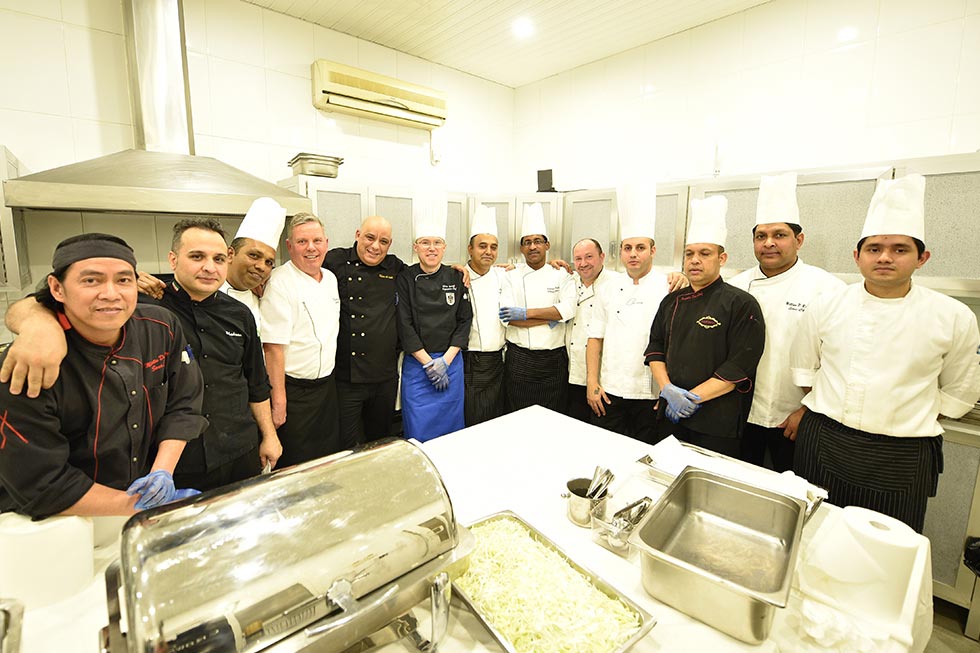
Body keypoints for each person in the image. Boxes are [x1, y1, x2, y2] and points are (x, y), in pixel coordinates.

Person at [790, 174, 980, 532]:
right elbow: (805, 371)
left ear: (922, 258)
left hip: (903, 454)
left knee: (887, 546)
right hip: (824, 440)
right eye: (874, 249)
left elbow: (959, 391)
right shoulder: (827, 305)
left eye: (900, 249)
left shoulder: (953, 316)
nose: (885, 258)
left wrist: (898, 412)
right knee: (811, 534)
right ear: (857, 256)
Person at [0, 234, 206, 518]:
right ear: (57, 288)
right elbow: (40, 484)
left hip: (133, 507)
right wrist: (139, 506)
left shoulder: (160, 327)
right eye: (91, 280)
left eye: (123, 280)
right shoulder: (29, 361)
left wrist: (161, 473)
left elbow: (184, 403)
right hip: (53, 523)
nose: (111, 294)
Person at [150, 219, 281, 489]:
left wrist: (269, 435)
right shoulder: (149, 311)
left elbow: (256, 383)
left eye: (218, 259)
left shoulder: (240, 314)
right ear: (173, 259)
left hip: (239, 449)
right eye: (197, 257)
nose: (209, 267)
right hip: (177, 460)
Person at [728, 173, 845, 471]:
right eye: (761, 236)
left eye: (779, 235)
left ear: (799, 240)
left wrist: (809, 409)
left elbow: (840, 362)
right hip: (739, 416)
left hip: (796, 419)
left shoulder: (827, 289)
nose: (769, 243)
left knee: (794, 491)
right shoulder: (734, 288)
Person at [644, 196, 766, 458]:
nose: (695, 260)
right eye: (689, 254)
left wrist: (691, 398)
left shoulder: (741, 303)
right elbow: (655, 347)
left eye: (705, 253)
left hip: (716, 421)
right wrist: (667, 390)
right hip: (670, 414)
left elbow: (739, 366)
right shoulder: (671, 300)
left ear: (722, 258)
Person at [587, 184, 678, 444]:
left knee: (646, 456)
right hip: (609, 391)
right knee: (607, 451)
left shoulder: (669, 287)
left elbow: (675, 345)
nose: (633, 254)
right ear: (621, 252)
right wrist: (592, 383)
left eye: (640, 247)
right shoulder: (607, 287)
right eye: (628, 248)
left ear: (653, 250)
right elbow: (595, 338)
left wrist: (666, 389)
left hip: (650, 394)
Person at [260, 213, 342, 466]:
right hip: (293, 391)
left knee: (327, 458)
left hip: (326, 388)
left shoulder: (330, 279)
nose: (311, 248)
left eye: (317, 241)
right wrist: (279, 401)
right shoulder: (280, 282)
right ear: (289, 246)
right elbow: (273, 347)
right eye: (302, 241)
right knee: (296, 464)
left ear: (326, 243)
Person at [137, 197, 286, 332]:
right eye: (197, 257)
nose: (261, 266)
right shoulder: (154, 301)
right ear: (231, 254)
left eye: (269, 262)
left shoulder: (255, 304)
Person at [322, 216, 403, 446]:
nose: (375, 246)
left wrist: (456, 271)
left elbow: (425, 277)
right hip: (346, 379)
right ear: (358, 235)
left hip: (384, 378)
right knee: (347, 446)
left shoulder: (395, 267)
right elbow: (304, 274)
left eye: (383, 241)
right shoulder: (335, 261)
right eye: (370, 237)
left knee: (381, 443)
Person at [395, 198, 472, 440]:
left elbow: (465, 321)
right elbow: (404, 324)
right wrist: (429, 364)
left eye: (437, 242)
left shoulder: (456, 276)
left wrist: (445, 362)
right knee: (418, 429)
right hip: (419, 366)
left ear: (444, 247)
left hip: (451, 363)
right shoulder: (405, 278)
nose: (431, 248)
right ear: (415, 247)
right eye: (425, 242)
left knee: (452, 430)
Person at [463, 206, 508, 425]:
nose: (488, 251)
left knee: (495, 417)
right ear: (470, 249)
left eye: (493, 247)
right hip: (470, 360)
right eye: (482, 246)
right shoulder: (456, 276)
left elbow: (533, 271)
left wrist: (556, 264)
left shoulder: (503, 275)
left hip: (498, 360)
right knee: (473, 417)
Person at [565, 238, 618, 423]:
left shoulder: (616, 283)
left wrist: (677, 276)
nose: (583, 263)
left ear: (602, 257)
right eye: (578, 259)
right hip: (573, 371)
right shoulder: (569, 281)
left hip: (603, 377)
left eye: (589, 257)